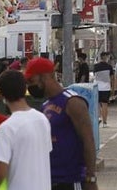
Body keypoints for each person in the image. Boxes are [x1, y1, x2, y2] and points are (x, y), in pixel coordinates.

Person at [26, 56, 98, 190]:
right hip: (51, 180)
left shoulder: (73, 102)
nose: (30, 86)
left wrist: (91, 177)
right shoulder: (45, 105)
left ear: (45, 76)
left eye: (31, 81)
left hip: (72, 179)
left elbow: (88, 140)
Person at [0, 70, 52, 189]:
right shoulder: (42, 119)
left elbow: (1, 171)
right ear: (25, 90)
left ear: (1, 94)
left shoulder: (7, 127)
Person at [91, 53, 113, 126]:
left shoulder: (96, 66)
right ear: (106, 57)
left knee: (97, 104)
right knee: (104, 104)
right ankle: (105, 122)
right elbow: (112, 78)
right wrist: (112, 88)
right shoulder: (109, 67)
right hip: (106, 87)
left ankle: (98, 118)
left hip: (96, 87)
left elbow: (94, 76)